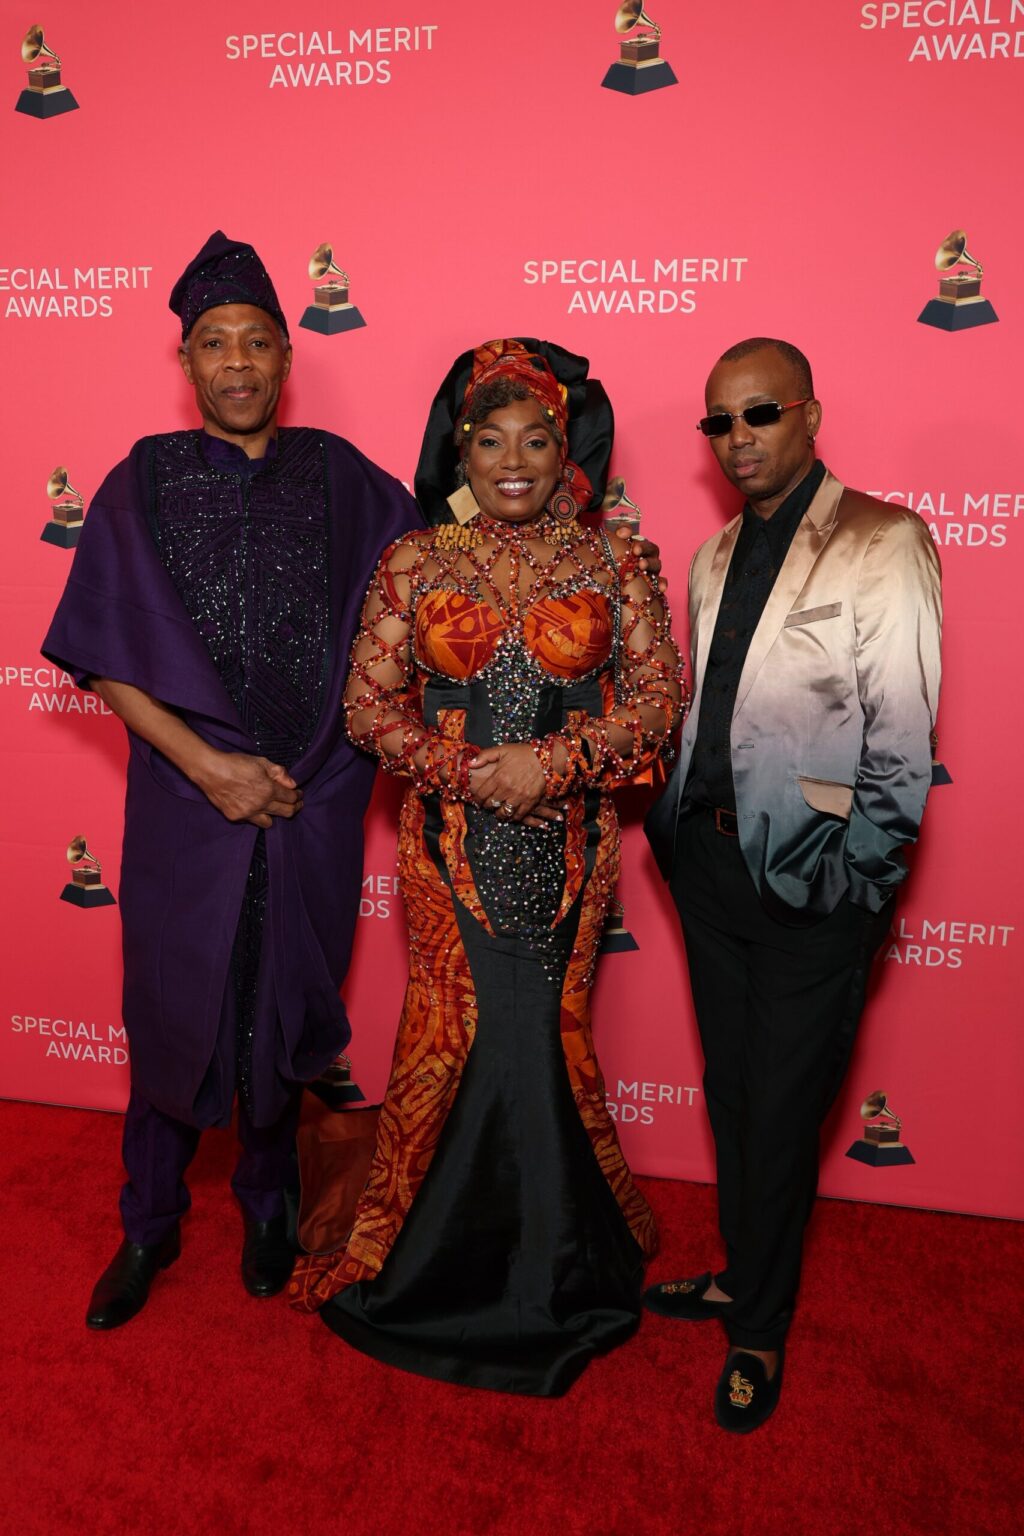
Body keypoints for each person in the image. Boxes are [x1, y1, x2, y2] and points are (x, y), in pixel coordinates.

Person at [289, 339, 685, 1396]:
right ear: (459, 450)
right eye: (489, 438)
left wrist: (552, 764)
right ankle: (428, 1262)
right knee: (456, 1033)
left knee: (542, 1038)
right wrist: (473, 772)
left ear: (569, 452)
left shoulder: (616, 563)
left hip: (568, 850)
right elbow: (366, 713)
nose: (513, 459)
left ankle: (558, 1264)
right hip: (444, 847)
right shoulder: (413, 564)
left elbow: (657, 706)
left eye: (537, 438)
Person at [42, 232, 423, 1328]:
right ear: (188, 364)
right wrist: (210, 770)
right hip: (185, 803)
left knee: (281, 999)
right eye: (215, 344)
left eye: (258, 341)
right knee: (171, 1008)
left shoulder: (344, 477)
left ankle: (266, 1204)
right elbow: (103, 653)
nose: (239, 362)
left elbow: (422, 594)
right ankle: (148, 1226)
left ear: (286, 355)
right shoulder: (141, 481)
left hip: (308, 801)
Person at [643, 337, 942, 1432]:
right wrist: (672, 834)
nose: (736, 440)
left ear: (809, 415)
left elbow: (902, 740)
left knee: (778, 1108)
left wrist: (860, 886)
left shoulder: (883, 540)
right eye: (717, 424)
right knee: (732, 1096)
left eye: (757, 415)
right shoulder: (712, 555)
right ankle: (741, 1272)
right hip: (707, 865)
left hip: (817, 882)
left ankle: (757, 1327)